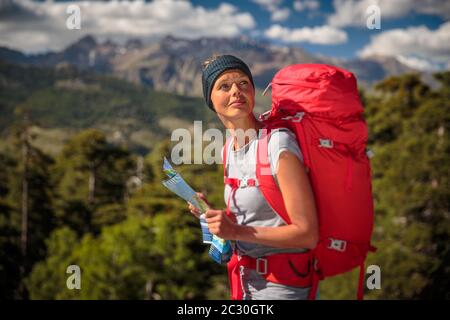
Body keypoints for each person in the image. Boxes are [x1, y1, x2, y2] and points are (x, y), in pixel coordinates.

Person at [187, 54, 319, 300]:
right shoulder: (229, 149)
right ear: (210, 100)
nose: (236, 90)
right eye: (224, 86)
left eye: (243, 83)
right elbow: (257, 216)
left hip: (284, 290)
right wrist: (215, 217)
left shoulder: (277, 145)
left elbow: (307, 234)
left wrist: (235, 231)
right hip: (246, 285)